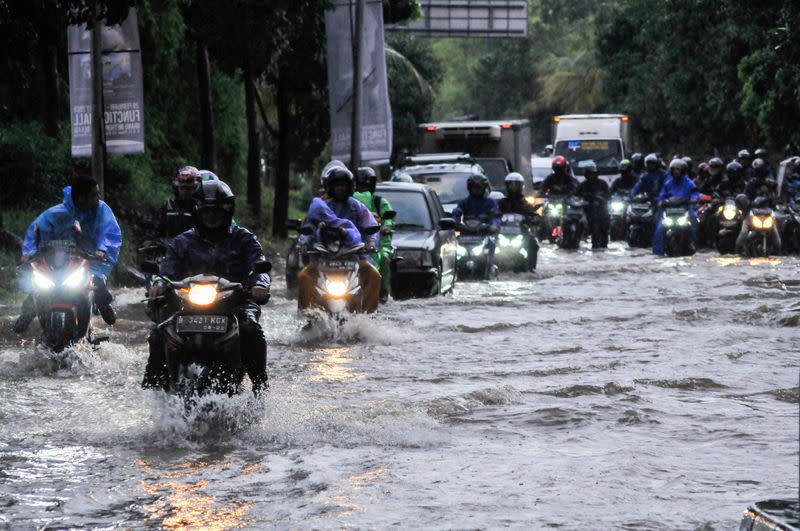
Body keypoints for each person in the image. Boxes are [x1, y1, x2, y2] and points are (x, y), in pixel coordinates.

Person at [142, 179, 271, 394]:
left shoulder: (244, 239)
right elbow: (166, 270)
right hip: (188, 305)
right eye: (207, 212)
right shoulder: (182, 242)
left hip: (235, 304)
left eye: (217, 212)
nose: (211, 217)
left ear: (227, 212)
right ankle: (155, 389)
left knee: (250, 330)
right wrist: (158, 284)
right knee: (158, 333)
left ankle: (260, 386)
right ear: (197, 212)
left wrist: (259, 285)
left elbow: (259, 266)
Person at [14, 177, 122, 333]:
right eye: (93, 195)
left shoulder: (103, 210)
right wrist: (29, 252)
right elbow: (36, 229)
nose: (97, 199)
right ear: (80, 198)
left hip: (91, 257)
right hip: (61, 258)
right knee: (37, 283)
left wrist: (102, 249)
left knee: (97, 282)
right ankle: (28, 312)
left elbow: (109, 232)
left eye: (97, 194)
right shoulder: (57, 212)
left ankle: (104, 304)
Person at [296, 166, 381, 313]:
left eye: (343, 185)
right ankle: (307, 315)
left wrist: (372, 242)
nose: (340, 188)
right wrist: (303, 243)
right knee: (304, 276)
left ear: (349, 187)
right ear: (330, 187)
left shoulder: (357, 207)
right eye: (337, 185)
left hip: (354, 257)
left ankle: (368, 316)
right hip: (325, 257)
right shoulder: (322, 207)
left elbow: (371, 225)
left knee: (374, 276)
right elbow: (309, 227)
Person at [353, 166, 395, 303]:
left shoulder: (379, 202)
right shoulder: (348, 203)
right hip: (354, 241)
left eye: (366, 184)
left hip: (377, 243)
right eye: (359, 184)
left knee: (383, 258)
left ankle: (382, 294)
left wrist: (386, 226)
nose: (362, 187)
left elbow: (389, 218)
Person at [652, 158, 699, 255]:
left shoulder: (689, 182)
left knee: (694, 220)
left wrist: (693, 199)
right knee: (659, 227)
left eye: (678, 169)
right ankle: (658, 251)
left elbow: (695, 193)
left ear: (683, 170)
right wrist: (661, 201)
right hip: (670, 210)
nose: (676, 172)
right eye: (674, 169)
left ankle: (693, 244)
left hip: (685, 208)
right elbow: (662, 195)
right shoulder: (668, 183)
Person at [498, 172, 540, 270]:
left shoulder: (525, 203)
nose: (513, 188)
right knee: (490, 245)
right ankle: (489, 266)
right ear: (507, 186)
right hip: (503, 233)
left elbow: (534, 215)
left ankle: (531, 268)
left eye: (516, 185)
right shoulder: (502, 202)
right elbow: (493, 213)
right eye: (511, 185)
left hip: (522, 233)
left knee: (533, 244)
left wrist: (533, 219)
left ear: (521, 186)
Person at [452, 173, 501, 257]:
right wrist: (455, 223)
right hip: (466, 234)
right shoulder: (464, 202)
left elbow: (495, 216)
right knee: (454, 248)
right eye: (475, 188)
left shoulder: (490, 202)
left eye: (479, 188)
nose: (477, 190)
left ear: (484, 188)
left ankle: (491, 265)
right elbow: (456, 214)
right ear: (470, 188)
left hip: (485, 233)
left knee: (493, 245)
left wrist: (493, 225)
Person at [150, 166, 202, 240]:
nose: (185, 191)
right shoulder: (167, 206)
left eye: (189, 188)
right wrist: (151, 239)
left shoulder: (200, 208)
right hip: (169, 248)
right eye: (182, 187)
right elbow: (157, 228)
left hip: (194, 249)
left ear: (196, 188)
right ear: (176, 188)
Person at [576, 161, 610, 249]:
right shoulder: (583, 185)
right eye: (589, 174)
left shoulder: (602, 184)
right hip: (586, 210)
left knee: (604, 231)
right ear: (586, 174)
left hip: (601, 211)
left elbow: (608, 195)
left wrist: (600, 200)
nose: (591, 176)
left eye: (593, 174)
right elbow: (575, 194)